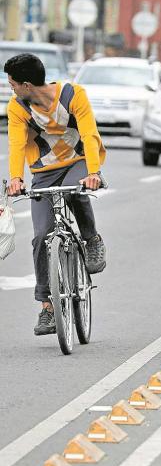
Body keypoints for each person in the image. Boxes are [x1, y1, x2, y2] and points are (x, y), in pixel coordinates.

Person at [3, 53, 107, 336]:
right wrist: (15, 179)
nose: (10, 88)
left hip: (79, 162)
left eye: (12, 83)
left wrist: (94, 173)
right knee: (41, 236)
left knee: (76, 193)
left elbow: (89, 134)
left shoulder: (73, 95)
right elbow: (15, 144)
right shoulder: (18, 107)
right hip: (44, 172)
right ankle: (47, 306)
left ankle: (91, 239)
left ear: (26, 84)